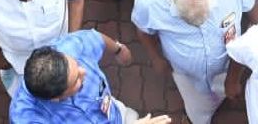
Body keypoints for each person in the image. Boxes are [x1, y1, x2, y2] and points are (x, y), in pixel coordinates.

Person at [131, 0, 258, 124]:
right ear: (172, 2)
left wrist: (257, 26)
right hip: (186, 76)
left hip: (227, 65)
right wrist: (155, 57)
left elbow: (251, 0)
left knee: (225, 91)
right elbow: (143, 30)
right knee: (197, 109)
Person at [11, 29, 153, 121]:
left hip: (115, 114)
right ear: (55, 98)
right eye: (76, 80)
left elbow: (95, 37)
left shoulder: (71, 47)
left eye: (77, 65)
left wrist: (118, 49)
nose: (84, 71)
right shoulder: (26, 117)